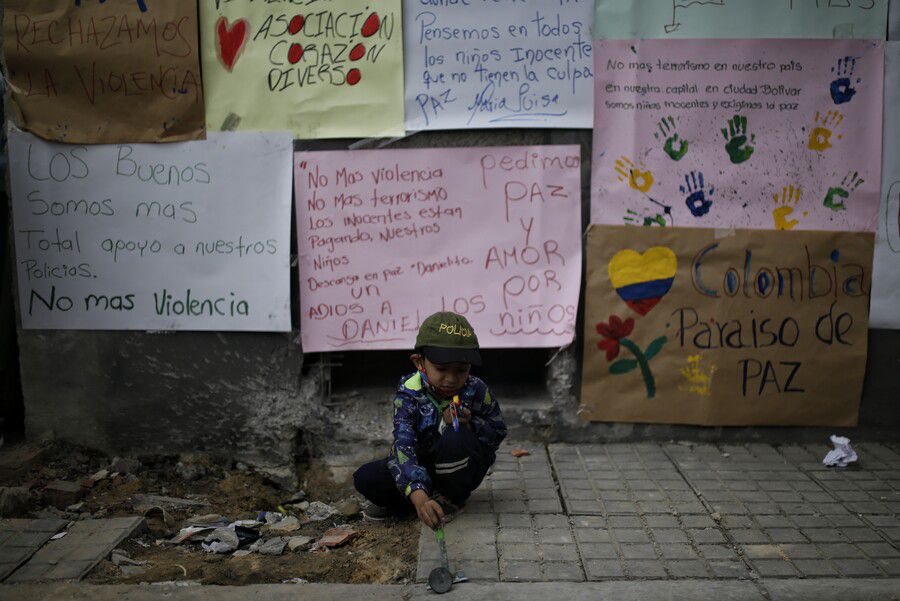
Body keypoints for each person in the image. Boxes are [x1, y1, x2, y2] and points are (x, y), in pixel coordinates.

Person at [353, 311, 507, 528]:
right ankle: (423, 502)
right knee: (366, 478)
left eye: (461, 370)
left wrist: (471, 424)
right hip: (422, 466)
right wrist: (418, 493)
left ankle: (450, 500)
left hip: (459, 468)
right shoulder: (409, 393)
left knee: (456, 435)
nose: (451, 379)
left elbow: (498, 432)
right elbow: (403, 445)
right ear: (419, 362)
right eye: (442, 369)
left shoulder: (476, 389)